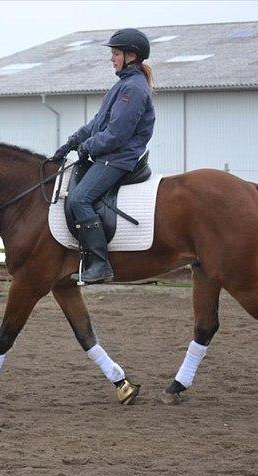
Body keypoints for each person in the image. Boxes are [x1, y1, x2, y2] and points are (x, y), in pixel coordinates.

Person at [50, 28, 156, 284]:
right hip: (109, 154)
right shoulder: (122, 85)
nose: (112, 58)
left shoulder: (133, 89)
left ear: (131, 55)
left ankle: (99, 263)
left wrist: (88, 148)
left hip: (118, 157)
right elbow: (98, 123)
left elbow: (116, 134)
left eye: (116, 53)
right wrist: (73, 142)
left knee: (79, 199)